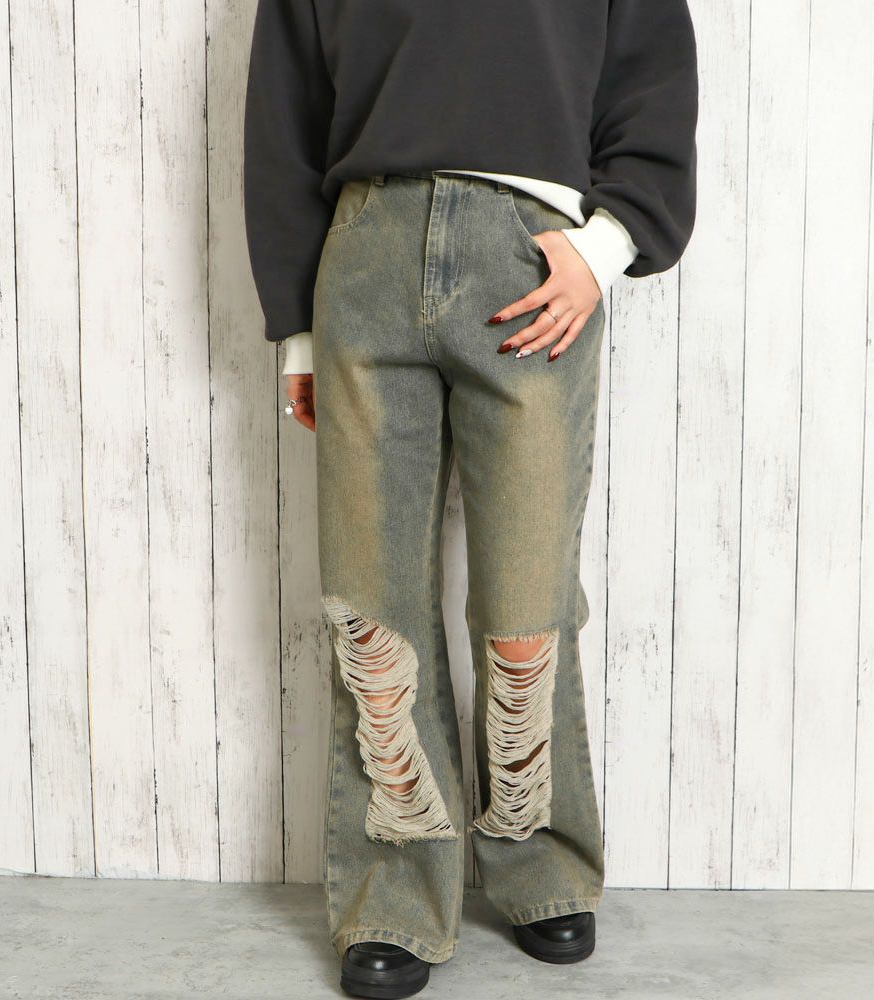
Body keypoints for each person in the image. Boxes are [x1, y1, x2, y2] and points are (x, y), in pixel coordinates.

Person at [243, 2, 698, 996]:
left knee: (527, 596)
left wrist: (606, 244)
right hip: (364, 253)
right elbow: (285, 109)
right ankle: (395, 893)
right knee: (371, 604)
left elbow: (651, 76)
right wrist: (299, 328)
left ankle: (539, 863)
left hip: (530, 258)